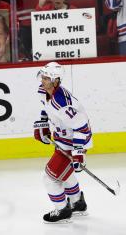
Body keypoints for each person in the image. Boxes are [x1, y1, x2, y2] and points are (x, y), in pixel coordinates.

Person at [33, 62, 93, 223]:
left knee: (50, 177)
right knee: (64, 174)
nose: (42, 81)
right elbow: (45, 108)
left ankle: (62, 210)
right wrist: (43, 124)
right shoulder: (43, 91)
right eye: (42, 77)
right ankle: (77, 203)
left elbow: (82, 127)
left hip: (74, 142)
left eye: (46, 78)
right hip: (61, 139)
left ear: (56, 81)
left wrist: (78, 153)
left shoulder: (62, 102)